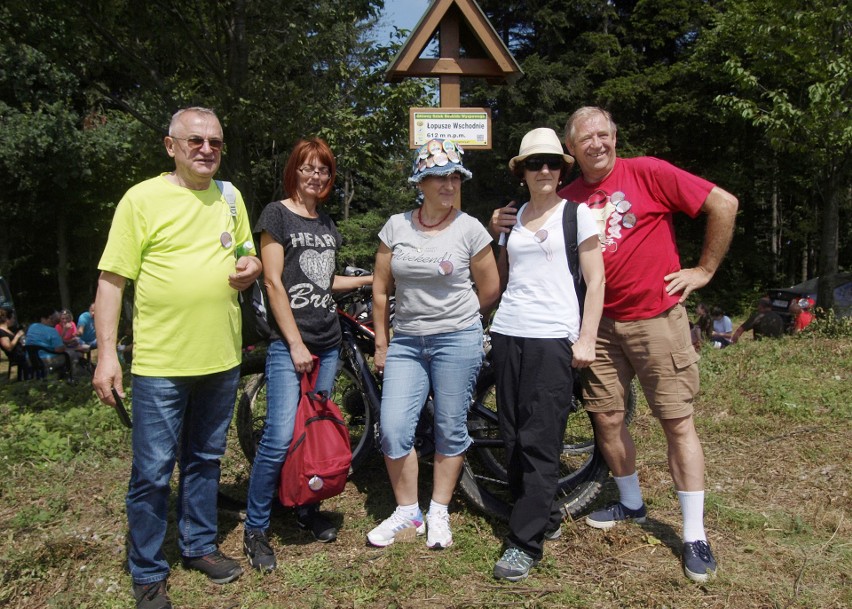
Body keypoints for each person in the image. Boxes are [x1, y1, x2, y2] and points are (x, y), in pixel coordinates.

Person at [490, 106, 738, 583]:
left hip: (655, 318)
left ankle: (693, 533)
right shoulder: (565, 196)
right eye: (586, 139)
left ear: (615, 137)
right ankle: (631, 503)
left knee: (676, 422)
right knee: (606, 417)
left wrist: (704, 271)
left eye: (603, 135)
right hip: (597, 326)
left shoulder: (648, 171)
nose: (596, 144)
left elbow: (722, 203)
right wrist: (497, 221)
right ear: (572, 149)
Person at [92, 107, 262, 609]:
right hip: (161, 364)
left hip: (221, 357)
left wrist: (249, 264)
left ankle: (198, 545)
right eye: (195, 141)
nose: (206, 149)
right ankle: (146, 570)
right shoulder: (141, 199)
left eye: (215, 141)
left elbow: (247, 251)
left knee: (206, 459)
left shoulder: (229, 196)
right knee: (151, 471)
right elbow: (112, 280)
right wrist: (106, 355)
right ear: (171, 146)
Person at [243, 138, 371, 572]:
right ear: (294, 170)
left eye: (324, 170)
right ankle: (256, 529)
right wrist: (295, 343)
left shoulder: (327, 223)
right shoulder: (276, 215)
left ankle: (306, 507)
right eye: (308, 168)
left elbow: (323, 280)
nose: (316, 176)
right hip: (290, 345)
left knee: (314, 432)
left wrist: (369, 279)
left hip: (329, 342)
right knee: (279, 436)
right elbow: (274, 282)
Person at [366, 139, 499, 551]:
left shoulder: (470, 228)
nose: (449, 183)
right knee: (392, 429)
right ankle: (409, 509)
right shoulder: (396, 226)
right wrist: (382, 343)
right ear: (421, 183)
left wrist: (461, 321)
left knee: (449, 426)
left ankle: (439, 509)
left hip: (457, 339)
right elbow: (380, 289)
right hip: (406, 340)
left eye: (455, 175)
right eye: (439, 176)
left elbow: (491, 287)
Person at [488, 128, 605, 581]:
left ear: (562, 169)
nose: (544, 171)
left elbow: (596, 281)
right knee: (513, 435)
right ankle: (543, 515)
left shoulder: (578, 215)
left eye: (552, 163)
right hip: (507, 332)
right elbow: (499, 280)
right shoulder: (511, 219)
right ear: (522, 171)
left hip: (553, 337)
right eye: (534, 163)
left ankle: (525, 544)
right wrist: (492, 232)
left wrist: (586, 336)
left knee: (541, 438)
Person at [0, 307, 31, 380]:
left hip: (21, 351)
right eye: (13, 318)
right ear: (7, 319)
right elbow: (8, 348)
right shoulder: (1, 332)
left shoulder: (8, 329)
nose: (14, 320)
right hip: (17, 355)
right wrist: (17, 336)